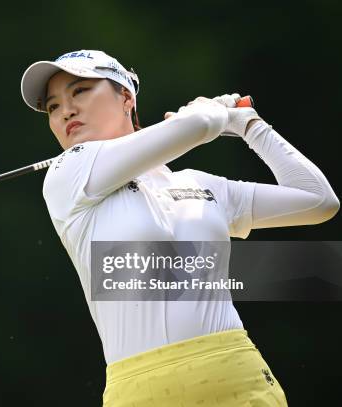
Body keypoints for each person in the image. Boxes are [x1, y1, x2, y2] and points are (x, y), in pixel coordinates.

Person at [20, 50, 339, 406]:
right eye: (53, 107)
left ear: (126, 97)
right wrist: (205, 114)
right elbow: (200, 124)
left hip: (237, 373)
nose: (66, 110)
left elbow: (318, 201)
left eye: (79, 91)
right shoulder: (67, 174)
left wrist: (250, 125)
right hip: (141, 391)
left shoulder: (203, 185)